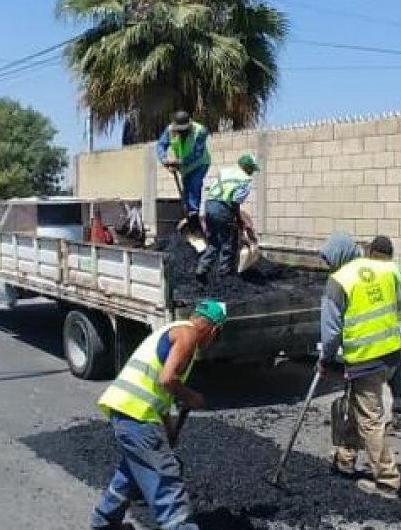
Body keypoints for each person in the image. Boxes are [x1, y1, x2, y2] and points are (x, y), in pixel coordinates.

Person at [90, 300, 228, 530]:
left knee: (131, 472)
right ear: (214, 330)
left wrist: (169, 431)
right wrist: (191, 396)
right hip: (138, 415)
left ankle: (103, 523)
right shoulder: (188, 335)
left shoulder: (173, 330)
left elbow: (160, 394)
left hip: (125, 410)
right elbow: (167, 379)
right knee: (165, 479)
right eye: (216, 337)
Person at [317, 232, 401, 499]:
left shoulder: (339, 281)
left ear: (338, 256)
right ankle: (345, 459)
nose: (328, 266)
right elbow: (399, 305)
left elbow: (330, 332)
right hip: (391, 353)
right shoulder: (384, 269)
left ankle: (387, 481)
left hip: (366, 358)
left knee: (370, 419)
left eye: (329, 260)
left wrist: (324, 359)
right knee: (358, 406)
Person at [366, 236, 401, 439]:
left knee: (372, 376)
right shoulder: (397, 269)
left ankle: (372, 422)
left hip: (388, 332)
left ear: (374, 253)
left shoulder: (382, 273)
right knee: (397, 376)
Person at [195, 154, 259, 280]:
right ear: (247, 167)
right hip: (223, 208)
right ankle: (224, 277)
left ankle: (202, 269)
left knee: (213, 242)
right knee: (229, 242)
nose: (252, 172)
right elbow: (235, 202)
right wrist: (239, 220)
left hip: (209, 206)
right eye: (252, 169)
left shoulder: (225, 172)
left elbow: (213, 190)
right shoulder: (244, 180)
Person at [156, 112, 211, 224]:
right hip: (184, 168)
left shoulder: (200, 131)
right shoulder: (170, 130)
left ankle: (193, 214)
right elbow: (161, 145)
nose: (182, 133)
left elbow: (197, 153)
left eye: (184, 130)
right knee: (186, 190)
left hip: (199, 164)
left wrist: (178, 162)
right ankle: (188, 214)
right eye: (179, 130)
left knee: (195, 183)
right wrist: (164, 160)